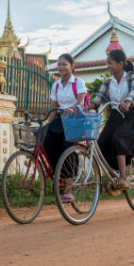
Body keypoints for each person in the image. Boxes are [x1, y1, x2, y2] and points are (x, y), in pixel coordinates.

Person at [87, 49, 134, 196]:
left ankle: (123, 178)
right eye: (107, 63)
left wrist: (127, 102)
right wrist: (84, 108)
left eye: (110, 63)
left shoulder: (132, 77)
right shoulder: (108, 82)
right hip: (115, 116)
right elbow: (98, 99)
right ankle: (115, 178)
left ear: (120, 64)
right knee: (101, 144)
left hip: (131, 115)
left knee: (118, 138)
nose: (108, 66)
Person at [43, 53, 87, 202]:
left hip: (75, 119)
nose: (61, 67)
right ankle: (58, 174)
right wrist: (47, 125)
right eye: (59, 64)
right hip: (61, 119)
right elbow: (54, 108)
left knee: (68, 149)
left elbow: (81, 102)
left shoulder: (78, 82)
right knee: (46, 141)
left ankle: (68, 190)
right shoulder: (56, 85)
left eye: (64, 64)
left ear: (72, 66)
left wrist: (73, 108)